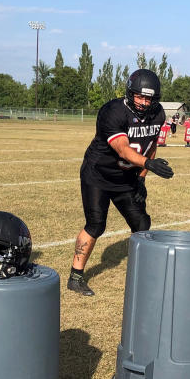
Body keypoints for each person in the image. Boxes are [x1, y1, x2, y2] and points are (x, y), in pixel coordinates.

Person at [67, 69, 174, 296]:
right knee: (96, 224)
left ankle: (142, 272)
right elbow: (123, 149)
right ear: (130, 92)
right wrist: (148, 164)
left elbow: (150, 144)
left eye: (149, 98)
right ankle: (75, 276)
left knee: (142, 224)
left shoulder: (158, 114)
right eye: (140, 97)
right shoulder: (113, 111)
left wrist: (142, 179)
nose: (144, 103)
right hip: (98, 174)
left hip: (127, 177)